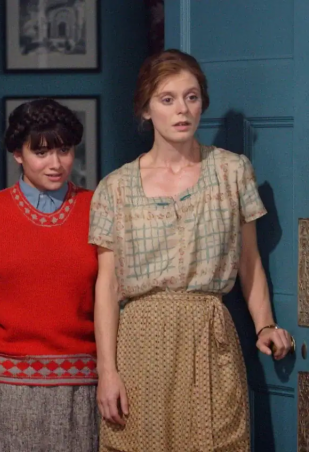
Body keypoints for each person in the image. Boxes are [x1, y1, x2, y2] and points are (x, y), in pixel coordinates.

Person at [89, 49, 294, 452]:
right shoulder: (115, 188)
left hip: (209, 338)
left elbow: (249, 261)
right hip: (141, 345)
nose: (182, 109)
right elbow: (107, 288)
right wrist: (107, 371)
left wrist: (265, 326)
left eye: (192, 97)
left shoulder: (232, 171)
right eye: (167, 99)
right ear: (146, 109)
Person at [0, 98, 99, 452]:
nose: (56, 163)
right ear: (18, 153)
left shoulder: (98, 208)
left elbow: (112, 297)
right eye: (41, 152)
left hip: (83, 384)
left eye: (64, 150)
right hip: (6, 388)